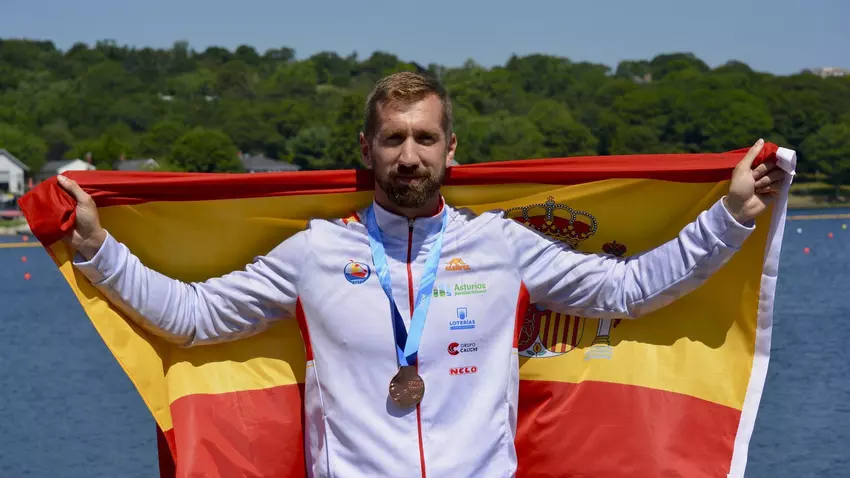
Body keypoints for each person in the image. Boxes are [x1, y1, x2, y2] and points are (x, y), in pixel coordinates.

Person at [56, 72, 787, 478]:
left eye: (425, 138)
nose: (409, 156)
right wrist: (97, 249)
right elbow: (192, 317)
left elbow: (628, 290)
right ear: (367, 149)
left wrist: (729, 216)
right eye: (393, 138)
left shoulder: (502, 245)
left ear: (450, 148)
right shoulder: (314, 253)